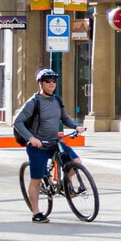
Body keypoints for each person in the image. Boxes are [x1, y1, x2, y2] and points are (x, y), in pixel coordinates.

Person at [13, 69, 79, 223]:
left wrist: (76, 126)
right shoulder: (33, 102)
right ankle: (36, 213)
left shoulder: (57, 100)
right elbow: (17, 122)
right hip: (38, 145)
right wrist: (31, 138)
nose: (52, 84)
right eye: (48, 81)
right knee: (36, 179)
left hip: (54, 142)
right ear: (40, 83)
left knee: (76, 163)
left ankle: (64, 184)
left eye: (54, 81)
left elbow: (65, 118)